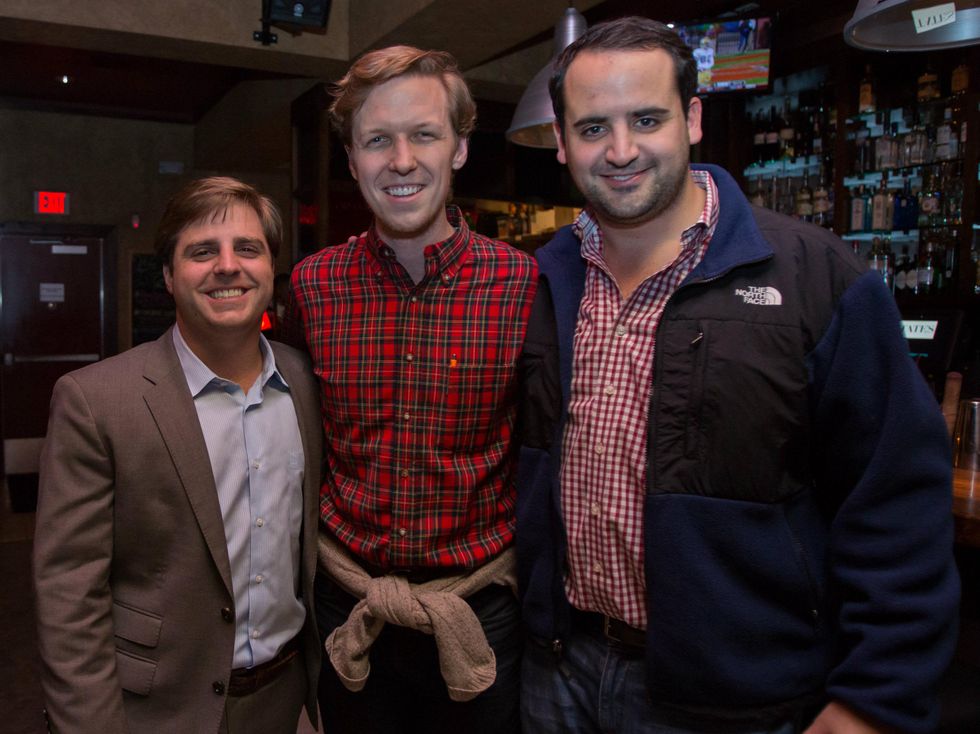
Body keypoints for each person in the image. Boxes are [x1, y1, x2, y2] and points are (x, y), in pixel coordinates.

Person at [516, 17, 958, 734]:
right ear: (561, 141)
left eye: (647, 119)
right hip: (559, 672)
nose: (621, 150)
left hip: (732, 700)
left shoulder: (817, 278)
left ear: (691, 120)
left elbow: (896, 501)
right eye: (593, 128)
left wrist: (874, 700)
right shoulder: (543, 277)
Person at [281, 46, 537, 734]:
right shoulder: (314, 286)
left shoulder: (522, 286)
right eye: (377, 141)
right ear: (351, 158)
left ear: (459, 148)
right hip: (349, 603)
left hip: (479, 610)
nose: (401, 161)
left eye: (424, 134)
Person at [34, 177, 323, 734]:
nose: (227, 266)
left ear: (271, 268)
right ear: (168, 275)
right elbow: (68, 593)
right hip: (155, 709)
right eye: (202, 251)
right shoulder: (96, 401)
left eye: (247, 248)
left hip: (286, 700)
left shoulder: (307, 382)